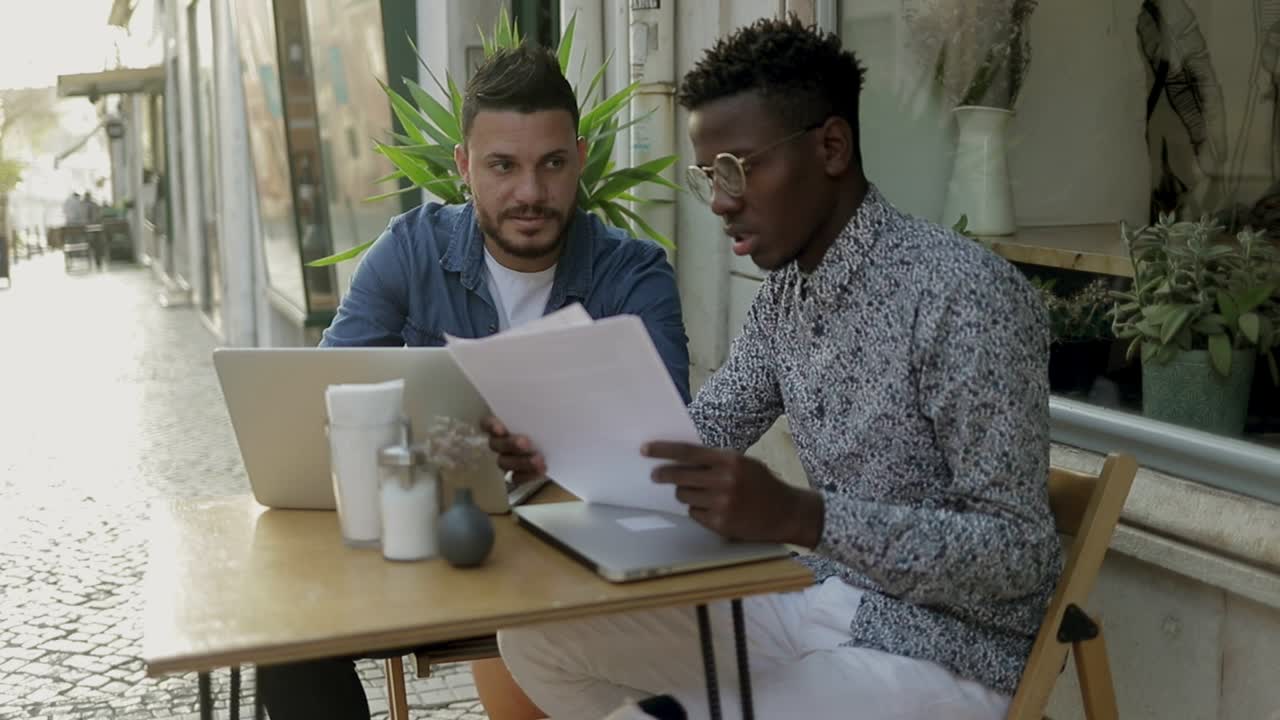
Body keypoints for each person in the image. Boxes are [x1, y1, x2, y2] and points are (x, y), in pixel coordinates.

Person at [482, 15, 1062, 720]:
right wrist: (558, 451)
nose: (721, 202)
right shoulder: (786, 296)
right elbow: (694, 436)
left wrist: (799, 514)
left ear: (831, 147)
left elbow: (1020, 554)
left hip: (947, 653)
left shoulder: (961, 293)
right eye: (707, 176)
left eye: (737, 168)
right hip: (820, 601)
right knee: (537, 639)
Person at [256, 43, 690, 720]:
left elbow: (667, 452)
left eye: (552, 164)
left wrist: (557, 458)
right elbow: (328, 403)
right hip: (437, 546)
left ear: (579, 158)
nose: (530, 193)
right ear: (463, 166)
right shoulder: (411, 250)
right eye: (502, 165)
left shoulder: (634, 274)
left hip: (579, 557)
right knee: (286, 632)